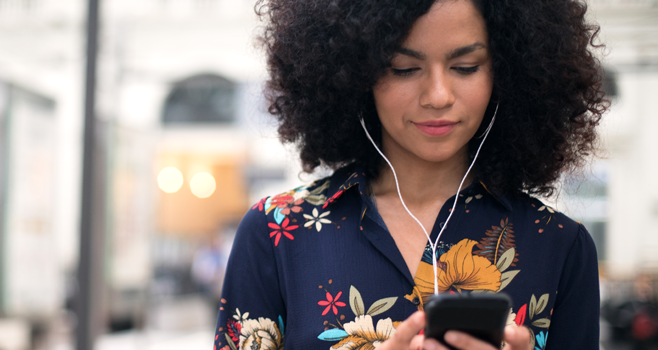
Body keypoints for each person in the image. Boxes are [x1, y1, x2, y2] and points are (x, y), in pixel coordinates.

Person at [213, 0, 607, 349]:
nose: (438, 95)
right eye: (404, 68)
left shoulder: (561, 246)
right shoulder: (277, 233)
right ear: (355, 73)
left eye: (465, 67)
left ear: (506, 72)